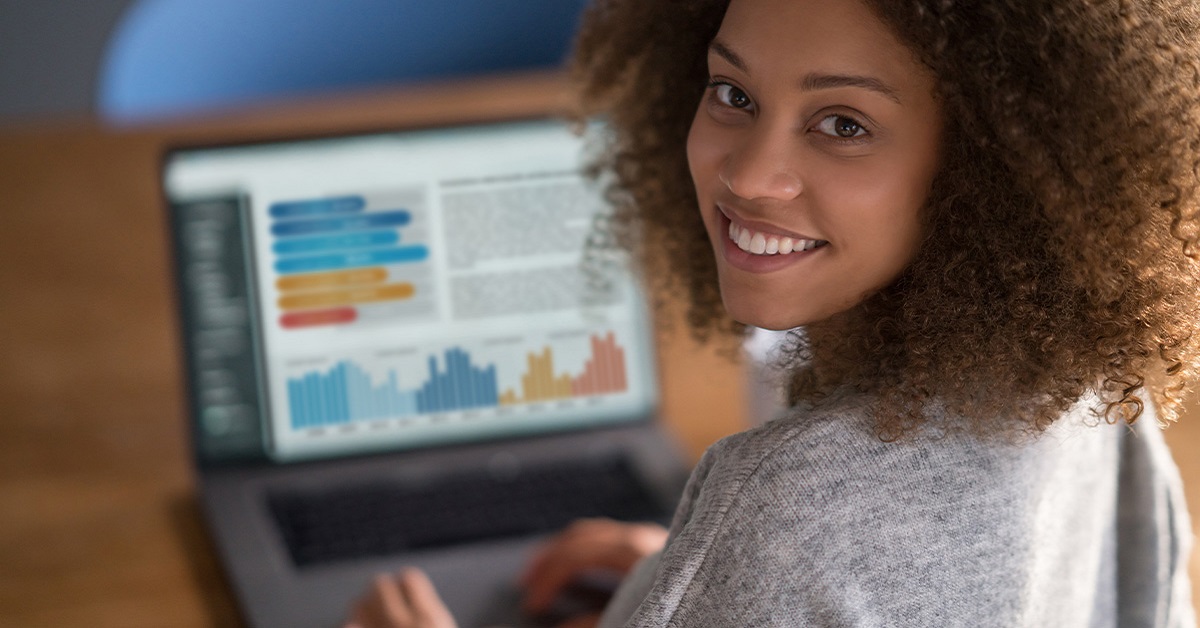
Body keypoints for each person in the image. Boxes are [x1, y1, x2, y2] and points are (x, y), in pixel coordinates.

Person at [345, 0, 1200, 625]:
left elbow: (831, 541)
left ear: (992, 169)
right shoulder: (1093, 394)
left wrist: (748, 567)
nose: (750, 176)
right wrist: (692, 585)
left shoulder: (784, 503)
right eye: (734, 94)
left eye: (842, 122)